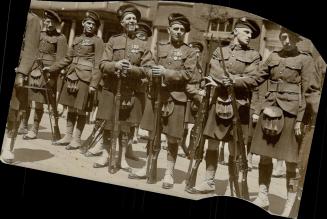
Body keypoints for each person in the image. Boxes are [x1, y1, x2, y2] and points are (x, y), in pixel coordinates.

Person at [248, 27, 319, 217]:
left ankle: (289, 204)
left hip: (290, 114)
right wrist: (235, 81)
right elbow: (256, 78)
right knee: (264, 156)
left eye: (289, 37)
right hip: (270, 110)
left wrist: (300, 120)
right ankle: (263, 196)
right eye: (283, 37)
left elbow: (308, 91)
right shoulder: (272, 56)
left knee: (290, 162)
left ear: (296, 39)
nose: (285, 40)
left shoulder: (305, 60)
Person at [187, 17, 261, 194]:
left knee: (235, 146)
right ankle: (209, 181)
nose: (249, 36)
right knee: (212, 143)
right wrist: (226, 79)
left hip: (240, 104)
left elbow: (253, 78)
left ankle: (233, 185)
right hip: (218, 102)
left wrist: (232, 81)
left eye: (251, 33)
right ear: (235, 31)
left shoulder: (254, 55)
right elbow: (213, 69)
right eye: (246, 32)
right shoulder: (219, 51)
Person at [129, 13, 200, 189]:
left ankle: (169, 172)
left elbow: (188, 74)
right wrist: (153, 71)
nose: (178, 32)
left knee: (173, 138)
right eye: (175, 29)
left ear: (185, 33)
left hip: (177, 98)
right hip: (157, 96)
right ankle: (148, 166)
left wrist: (165, 72)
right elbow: (149, 65)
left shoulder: (189, 52)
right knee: (152, 135)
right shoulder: (159, 48)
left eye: (182, 30)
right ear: (169, 30)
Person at [93, 4, 152, 172]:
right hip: (111, 89)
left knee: (125, 126)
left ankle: (122, 158)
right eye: (128, 18)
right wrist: (116, 65)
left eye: (134, 18)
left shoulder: (143, 44)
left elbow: (148, 69)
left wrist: (132, 69)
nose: (132, 21)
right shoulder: (113, 40)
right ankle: (105, 154)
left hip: (131, 91)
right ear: (122, 22)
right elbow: (103, 64)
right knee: (108, 123)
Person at [44, 11, 104, 151]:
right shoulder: (76, 38)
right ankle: (68, 136)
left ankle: (77, 139)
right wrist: (52, 68)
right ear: (83, 23)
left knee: (81, 110)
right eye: (88, 23)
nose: (90, 26)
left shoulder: (98, 41)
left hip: (86, 79)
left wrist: (94, 84)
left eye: (93, 25)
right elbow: (67, 59)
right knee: (70, 107)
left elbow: (98, 64)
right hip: (72, 76)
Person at [1, 11, 41, 163]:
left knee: (14, 110)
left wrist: (22, 72)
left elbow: (31, 49)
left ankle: (8, 147)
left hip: (18, 69)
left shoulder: (32, 19)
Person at [22, 10, 67, 140]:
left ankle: (34, 129)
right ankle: (23, 125)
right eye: (47, 21)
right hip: (34, 70)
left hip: (48, 74)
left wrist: (52, 72)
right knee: (28, 99)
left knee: (41, 103)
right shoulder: (39, 35)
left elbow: (61, 60)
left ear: (57, 24)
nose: (49, 24)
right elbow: (31, 51)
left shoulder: (60, 38)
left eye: (52, 22)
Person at [179, 41, 204, 158]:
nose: (197, 55)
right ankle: (181, 145)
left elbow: (200, 80)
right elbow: (185, 84)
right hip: (186, 97)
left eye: (199, 52)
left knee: (192, 125)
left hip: (195, 99)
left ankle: (190, 148)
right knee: (183, 124)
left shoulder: (199, 66)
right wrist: (198, 92)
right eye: (195, 52)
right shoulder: (187, 64)